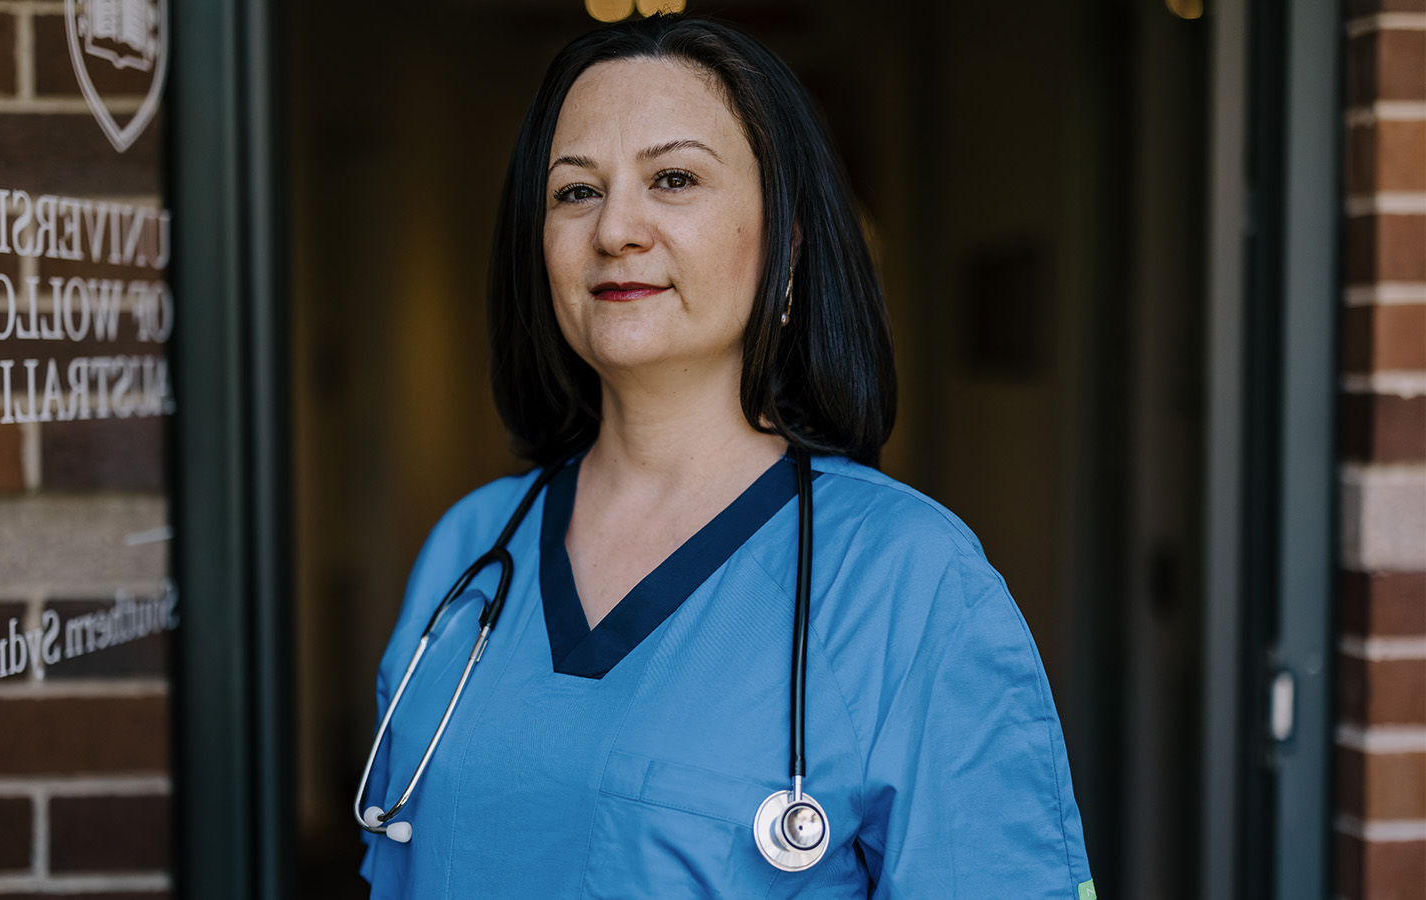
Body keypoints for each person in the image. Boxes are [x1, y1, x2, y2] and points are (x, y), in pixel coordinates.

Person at [357, 15, 1093, 899]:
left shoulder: (910, 581)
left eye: (673, 179)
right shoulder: (469, 551)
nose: (616, 228)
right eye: (575, 192)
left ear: (786, 244)